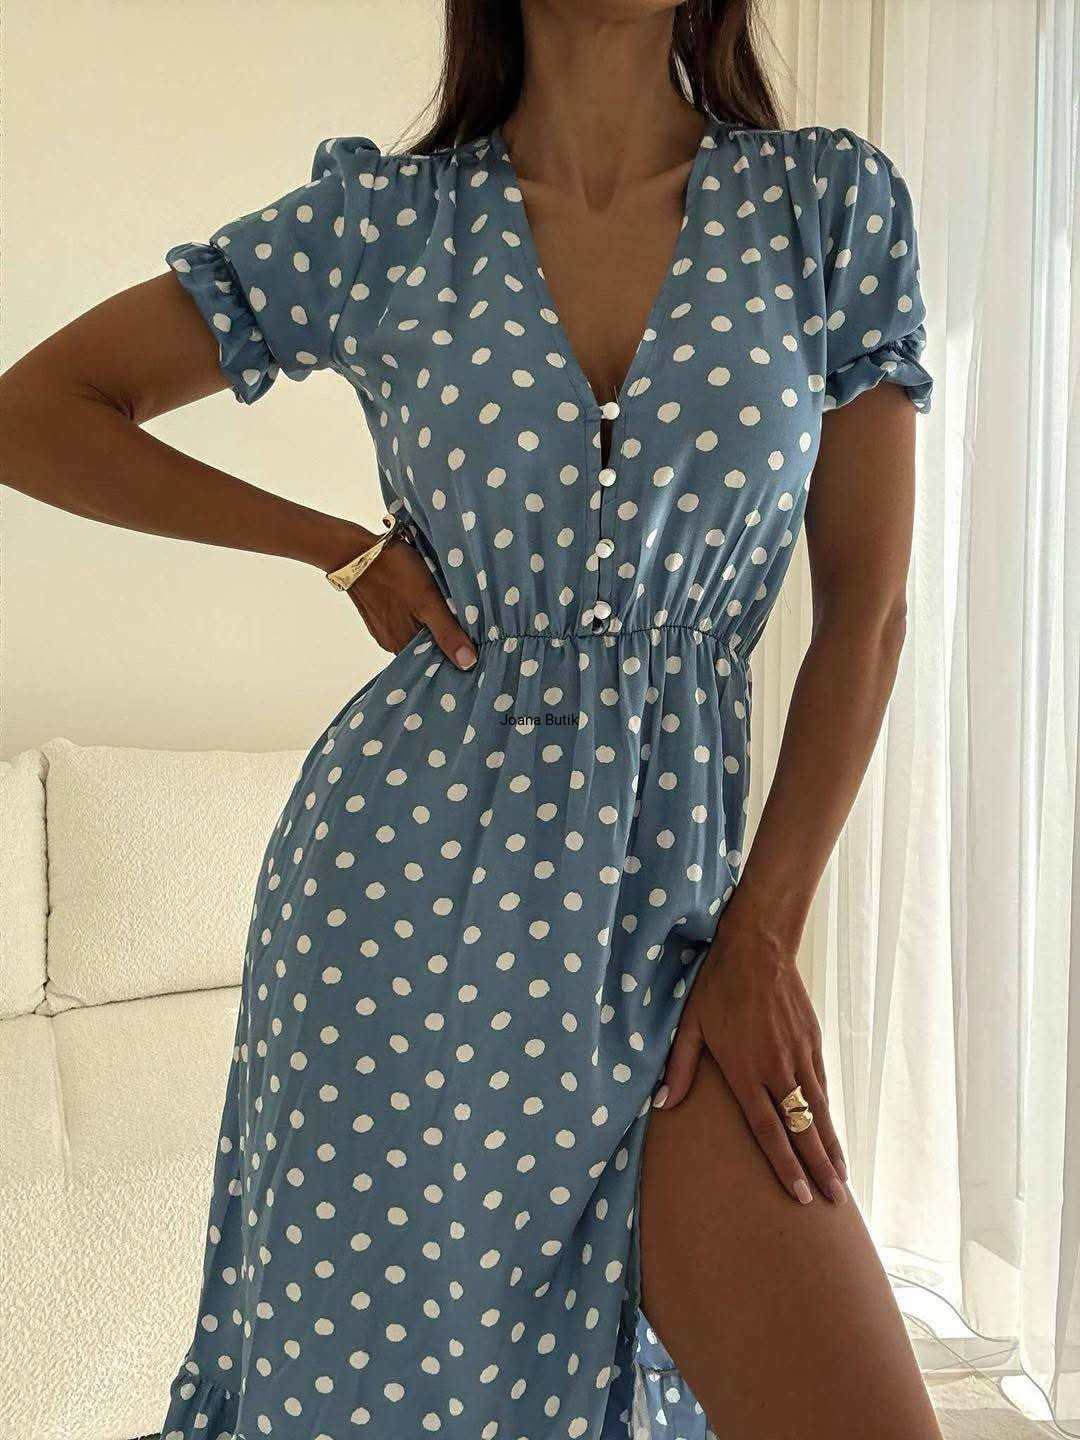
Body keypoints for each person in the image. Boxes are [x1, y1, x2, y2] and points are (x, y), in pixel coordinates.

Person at [0, 1, 942, 1436]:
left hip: (687, 937)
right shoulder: (386, 225)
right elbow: (38, 411)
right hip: (403, 930)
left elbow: (865, 613)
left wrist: (763, 933)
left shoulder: (826, 207)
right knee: (390, 1398)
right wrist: (339, 549)